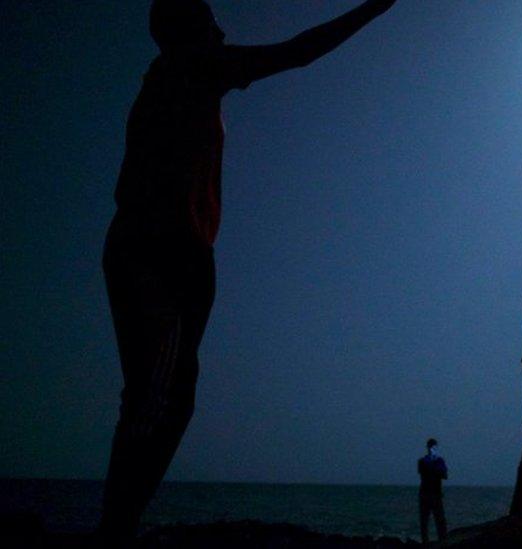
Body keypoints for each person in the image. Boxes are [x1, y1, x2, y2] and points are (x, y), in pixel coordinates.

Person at [98, 0, 397, 542]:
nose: (223, 30)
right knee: (155, 396)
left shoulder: (175, 79)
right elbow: (298, 52)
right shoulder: (188, 67)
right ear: (193, 32)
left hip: (170, 250)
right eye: (213, 22)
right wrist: (375, 8)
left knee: (168, 394)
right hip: (161, 251)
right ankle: (115, 527)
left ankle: (119, 521)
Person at [418, 438, 449, 544]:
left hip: (434, 494)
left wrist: (436, 467)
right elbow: (425, 472)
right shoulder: (423, 461)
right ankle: (426, 542)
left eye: (434, 447)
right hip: (427, 494)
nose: (432, 449)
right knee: (425, 521)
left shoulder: (439, 461)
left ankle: (442, 540)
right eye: (431, 447)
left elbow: (445, 475)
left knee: (439, 520)